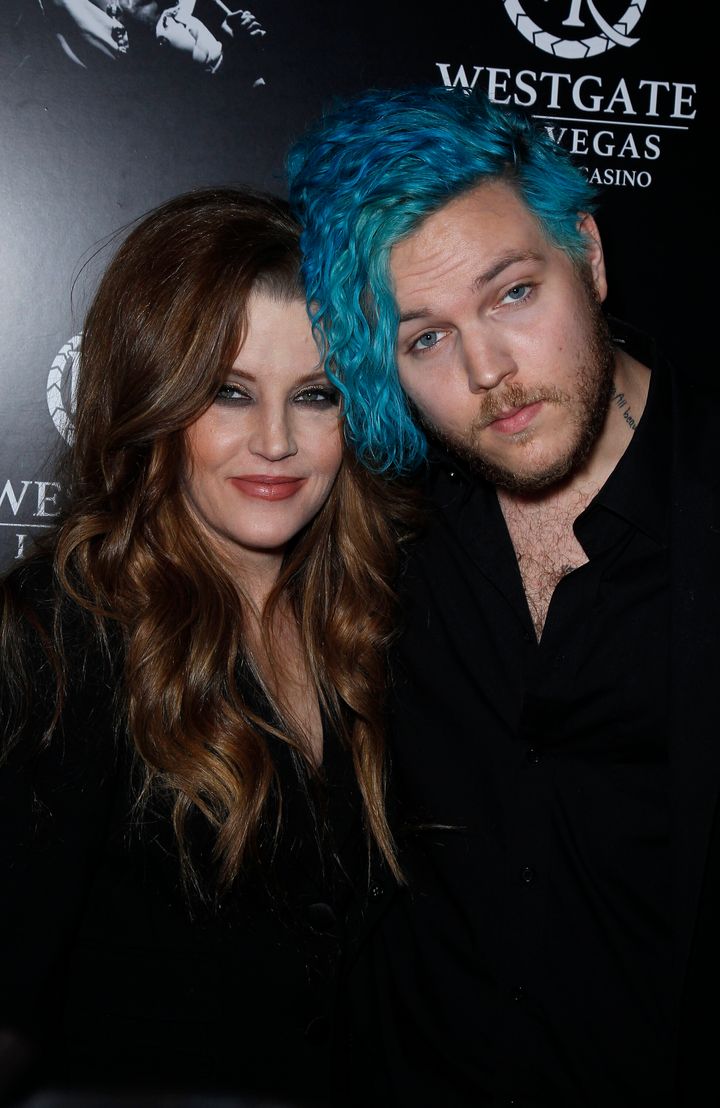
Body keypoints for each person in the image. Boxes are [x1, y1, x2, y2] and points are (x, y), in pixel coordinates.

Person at [285, 86, 720, 1107]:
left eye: (512, 293)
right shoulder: (380, 535)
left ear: (591, 257)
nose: (488, 371)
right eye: (425, 337)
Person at [0, 186, 414, 1106]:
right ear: (156, 396)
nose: (277, 441)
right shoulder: (65, 632)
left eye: (316, 396)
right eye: (229, 393)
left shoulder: (379, 618)